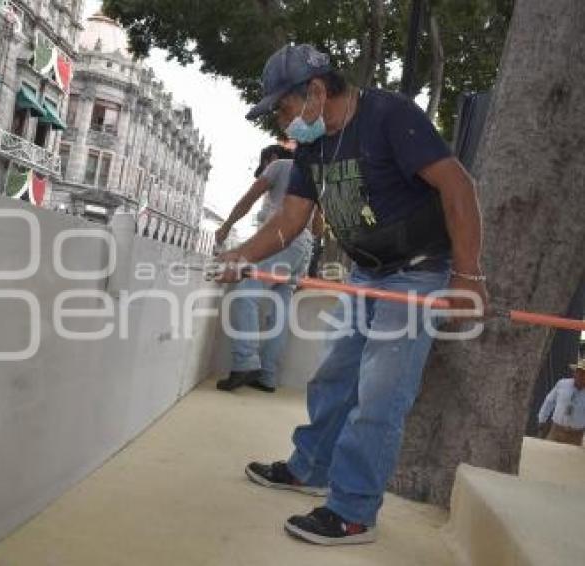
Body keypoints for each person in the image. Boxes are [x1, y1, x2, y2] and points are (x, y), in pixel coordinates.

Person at [216, 44, 488, 545]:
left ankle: (353, 511)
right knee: (334, 375)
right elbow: (291, 220)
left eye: (283, 106)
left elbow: (458, 187)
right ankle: (311, 467)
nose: (282, 119)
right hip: (367, 273)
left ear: (316, 91)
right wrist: (240, 256)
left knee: (380, 395)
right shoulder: (313, 145)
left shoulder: (391, 116)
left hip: (419, 273)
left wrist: (468, 278)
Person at [215, 145, 316, 393]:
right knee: (280, 306)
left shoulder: (279, 165)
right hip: (304, 244)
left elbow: (248, 199)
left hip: (280, 239)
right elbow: (319, 222)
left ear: (270, 157)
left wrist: (227, 225)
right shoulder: (310, 172)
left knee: (244, 289)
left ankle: (245, 362)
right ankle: (268, 375)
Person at [537, 358, 585, 445]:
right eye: (580, 373)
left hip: (576, 435)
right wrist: (542, 419)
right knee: (549, 453)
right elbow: (549, 401)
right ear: (575, 373)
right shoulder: (562, 384)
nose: (582, 376)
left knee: (570, 458)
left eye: (584, 374)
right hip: (556, 430)